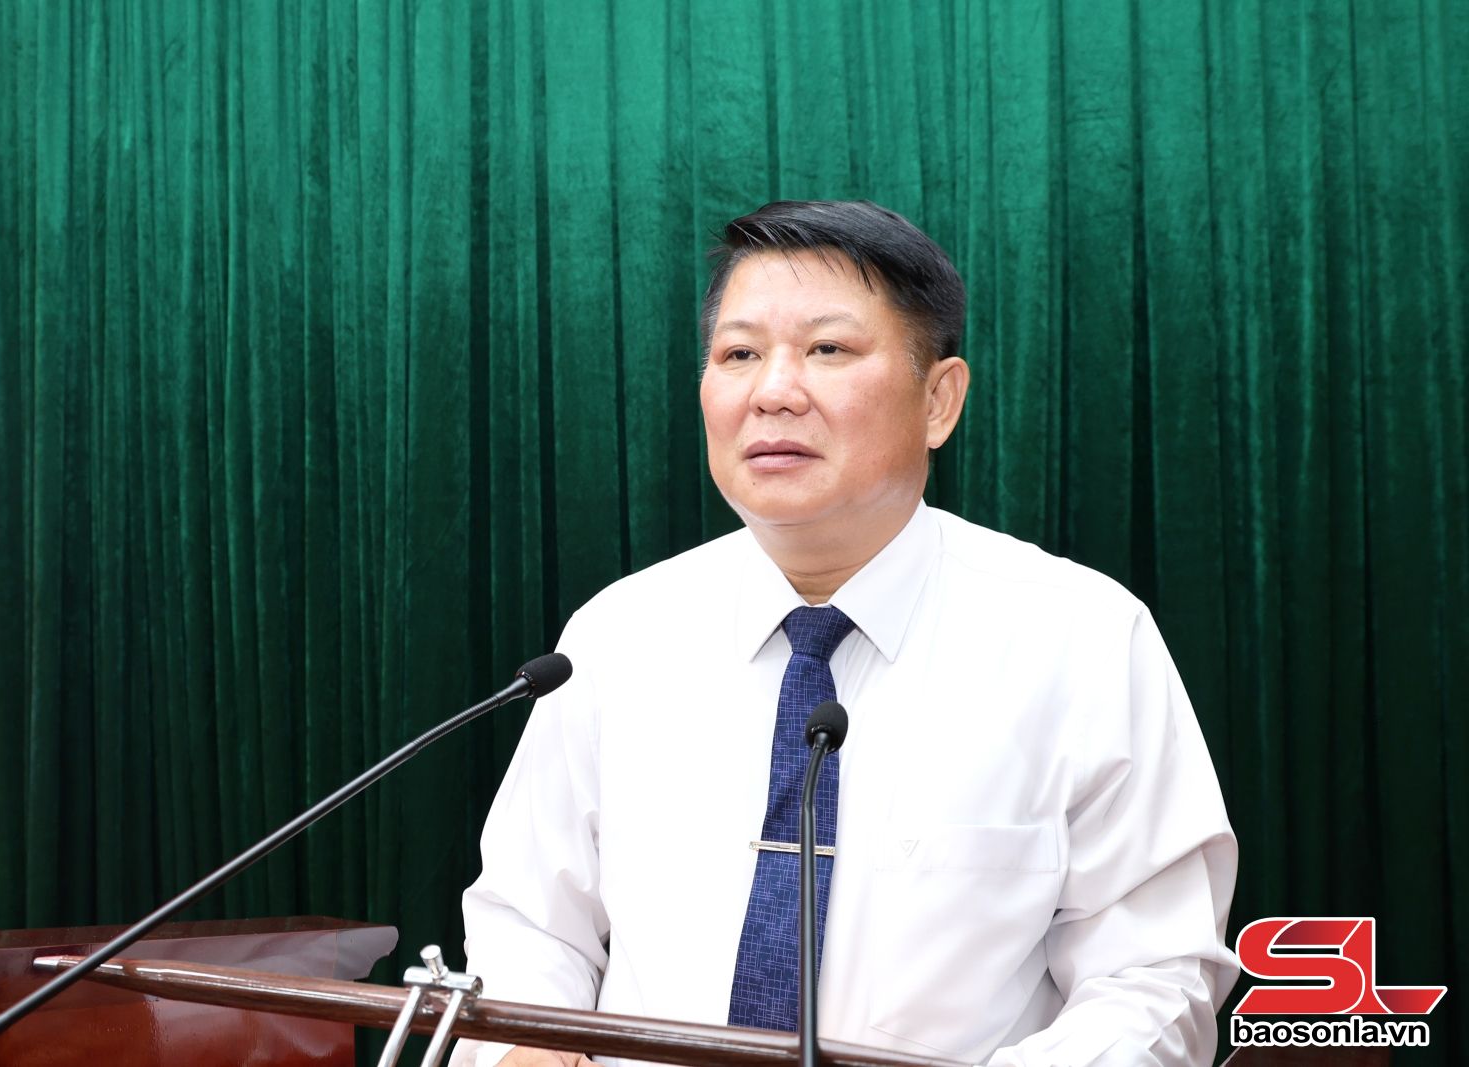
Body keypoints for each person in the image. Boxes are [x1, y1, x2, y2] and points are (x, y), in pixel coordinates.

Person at [449, 200, 1238, 1067]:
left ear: (938, 399)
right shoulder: (618, 636)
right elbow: (529, 922)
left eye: (827, 349)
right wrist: (526, 1047)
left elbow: (1156, 975)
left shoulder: (1081, 639)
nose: (773, 391)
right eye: (739, 354)